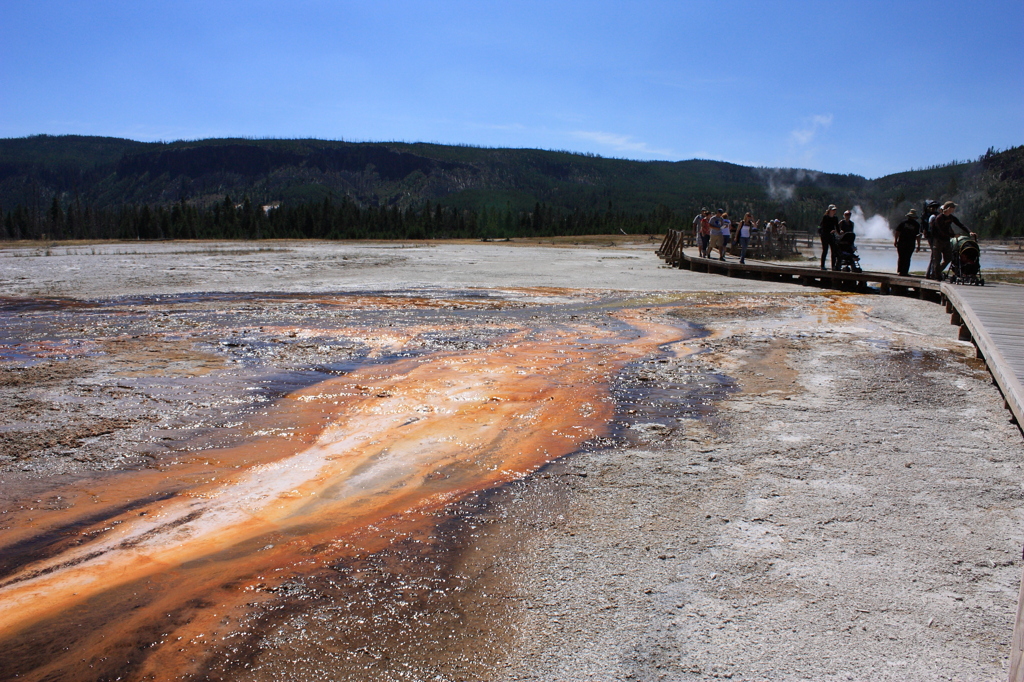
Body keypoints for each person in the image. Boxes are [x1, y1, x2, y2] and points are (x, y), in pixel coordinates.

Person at [932, 201, 976, 279]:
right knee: (937, 260)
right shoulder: (939, 218)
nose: (954, 209)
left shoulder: (951, 217)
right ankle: (937, 276)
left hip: (946, 240)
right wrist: (953, 235)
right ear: (948, 208)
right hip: (938, 241)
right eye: (953, 208)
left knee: (948, 258)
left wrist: (970, 232)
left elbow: (960, 224)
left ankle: (936, 273)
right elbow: (941, 230)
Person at [893, 209, 921, 276]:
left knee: (901, 257)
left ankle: (900, 271)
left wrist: (895, 240)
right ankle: (904, 272)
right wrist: (918, 245)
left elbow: (897, 232)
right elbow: (918, 236)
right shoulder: (916, 225)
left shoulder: (903, 223)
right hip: (910, 243)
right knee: (907, 258)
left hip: (902, 242)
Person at [818, 205, 839, 270]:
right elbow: (823, 227)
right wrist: (830, 231)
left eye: (835, 210)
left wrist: (839, 232)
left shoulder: (835, 218)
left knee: (834, 251)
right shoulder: (825, 217)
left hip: (831, 236)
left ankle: (833, 266)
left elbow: (837, 227)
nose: (834, 211)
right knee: (825, 250)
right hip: (825, 236)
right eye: (833, 210)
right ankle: (822, 266)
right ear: (829, 210)